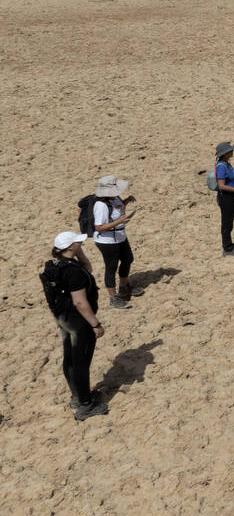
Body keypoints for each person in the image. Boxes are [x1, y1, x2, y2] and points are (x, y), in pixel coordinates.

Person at [44, 232, 108, 420]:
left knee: (70, 358)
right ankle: (86, 405)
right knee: (81, 362)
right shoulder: (72, 272)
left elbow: (88, 268)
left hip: (63, 318)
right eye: (77, 241)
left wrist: (79, 252)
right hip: (78, 321)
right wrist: (95, 324)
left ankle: (77, 396)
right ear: (69, 246)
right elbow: (80, 302)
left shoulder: (56, 264)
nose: (81, 242)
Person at [91, 175, 144, 310]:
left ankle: (124, 287)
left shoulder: (114, 198)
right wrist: (119, 222)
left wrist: (126, 201)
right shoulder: (100, 205)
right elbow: (99, 227)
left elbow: (116, 210)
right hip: (107, 241)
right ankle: (113, 298)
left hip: (120, 236)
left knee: (128, 259)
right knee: (111, 267)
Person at [214, 141, 234, 256]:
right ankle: (227, 248)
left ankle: (229, 245)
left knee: (229, 222)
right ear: (225, 153)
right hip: (226, 198)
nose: (232, 151)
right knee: (226, 223)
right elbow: (221, 186)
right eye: (230, 150)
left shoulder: (226, 163)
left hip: (230, 197)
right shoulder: (222, 167)